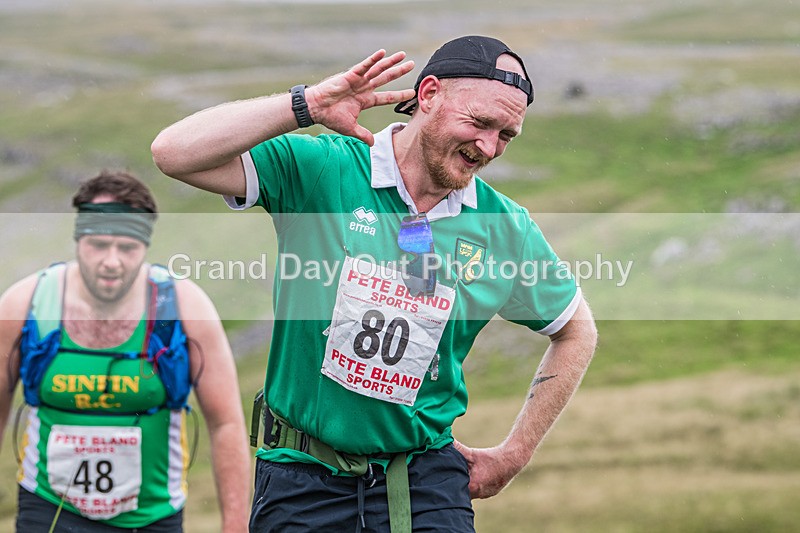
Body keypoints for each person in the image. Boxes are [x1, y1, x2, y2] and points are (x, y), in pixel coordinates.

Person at [151, 35, 598, 532]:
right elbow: (173, 153)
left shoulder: (504, 227)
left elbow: (576, 331)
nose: (488, 147)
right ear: (429, 94)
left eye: (506, 135)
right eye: (479, 122)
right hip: (300, 478)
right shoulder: (326, 168)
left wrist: (515, 454)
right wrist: (306, 105)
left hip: (425, 483)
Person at [0, 171, 251, 532]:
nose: (112, 261)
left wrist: (235, 526)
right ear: (78, 239)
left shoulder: (184, 308)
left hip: (151, 517)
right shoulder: (26, 303)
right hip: (48, 508)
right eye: (99, 245)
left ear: (146, 247)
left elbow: (225, 423)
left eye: (127, 248)